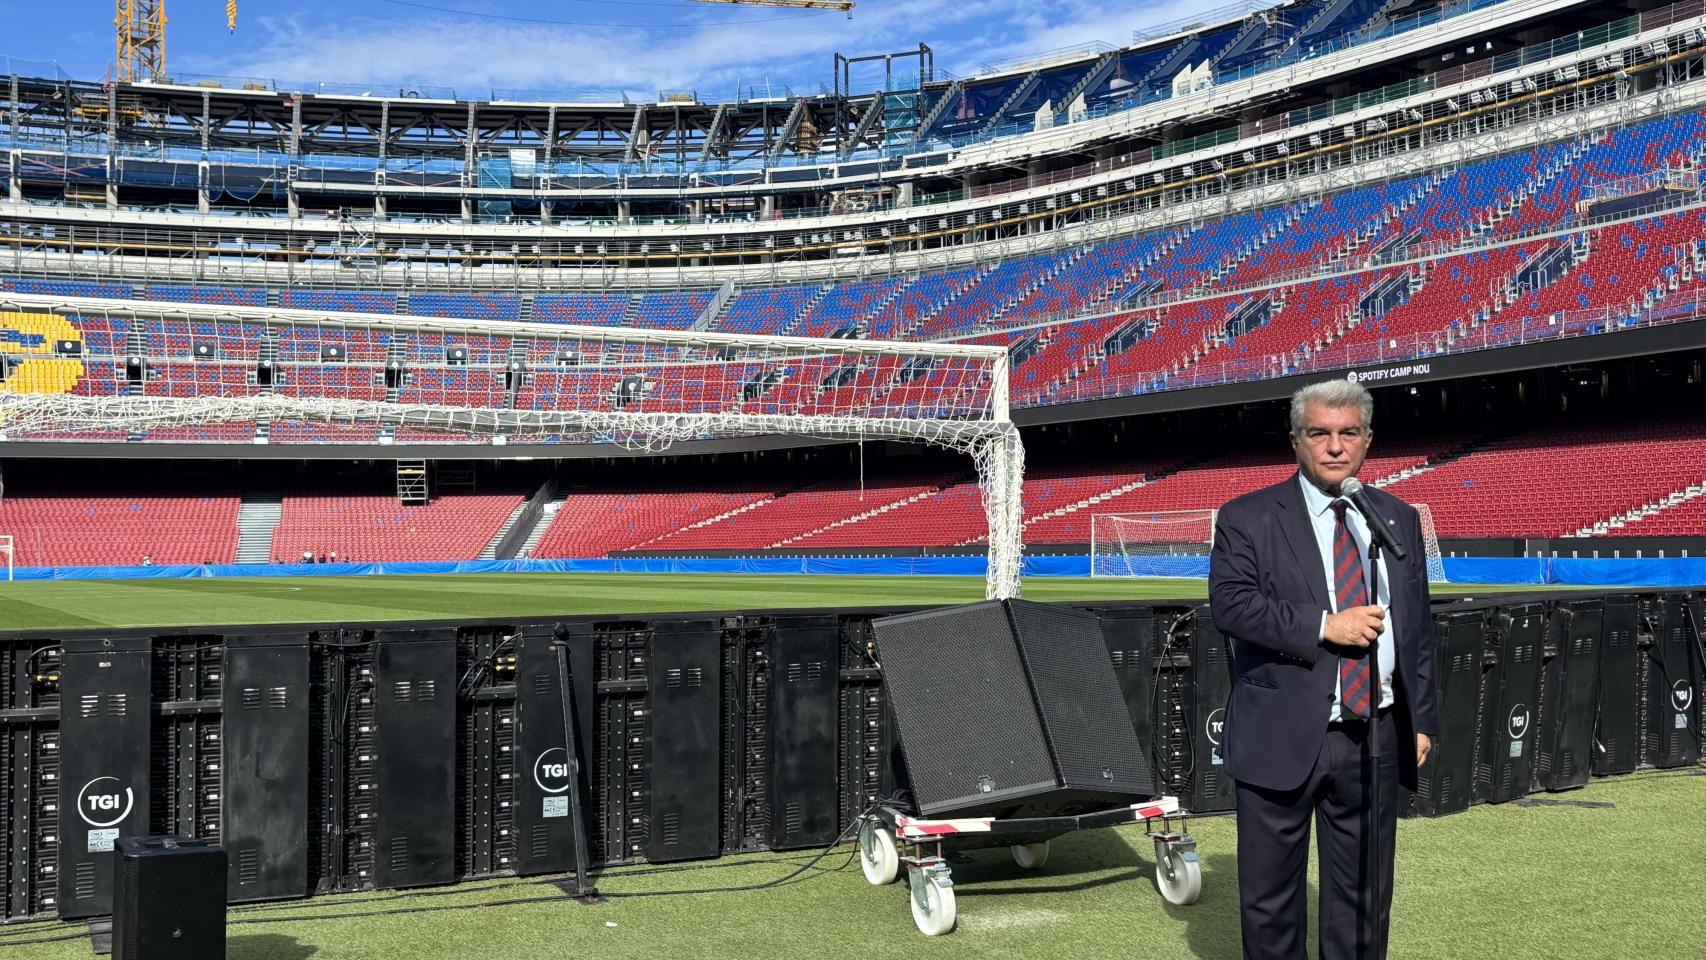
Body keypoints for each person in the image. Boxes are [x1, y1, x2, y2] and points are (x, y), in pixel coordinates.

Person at [1208, 379, 1439, 960]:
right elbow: (1231, 605)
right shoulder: (1247, 517)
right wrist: (1323, 625)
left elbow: (1417, 629)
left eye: (1348, 434)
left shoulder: (1397, 519)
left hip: (1376, 734)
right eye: (1319, 433)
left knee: (1363, 897)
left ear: (1367, 442)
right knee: (1271, 902)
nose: (1334, 446)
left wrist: (1422, 719)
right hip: (1279, 733)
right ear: (1295, 440)